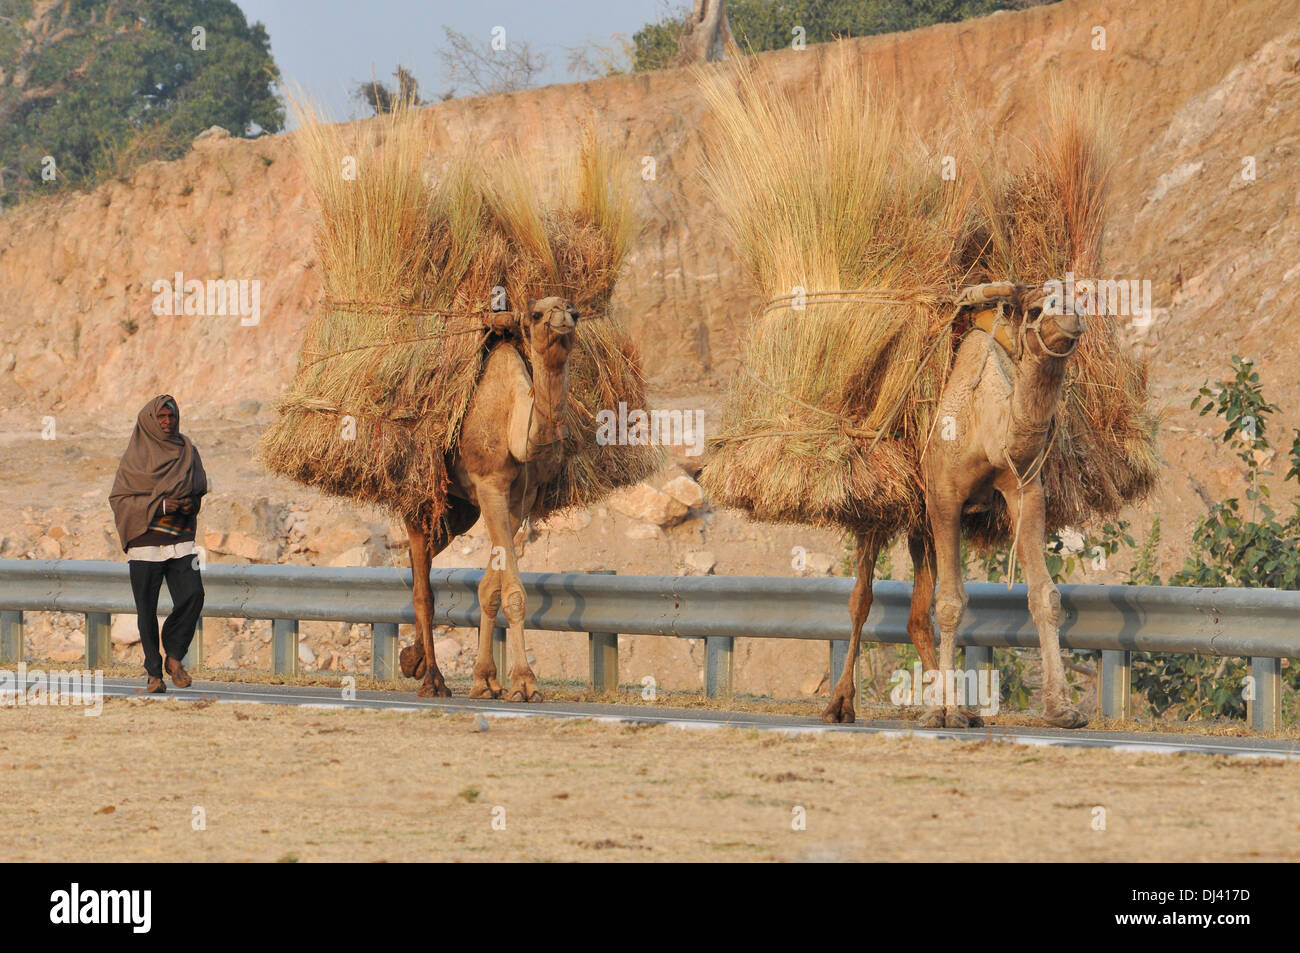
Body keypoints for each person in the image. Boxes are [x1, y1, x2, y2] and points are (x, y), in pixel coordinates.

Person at [108, 395, 208, 694]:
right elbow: (120, 500)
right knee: (146, 610)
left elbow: (199, 488)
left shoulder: (188, 451)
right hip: (145, 545)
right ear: (150, 421)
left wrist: (189, 504)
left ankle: (174, 656)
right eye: (161, 417)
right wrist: (162, 505)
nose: (167, 422)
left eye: (171, 417)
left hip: (181, 543)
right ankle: (153, 672)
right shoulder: (135, 457)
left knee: (193, 595)